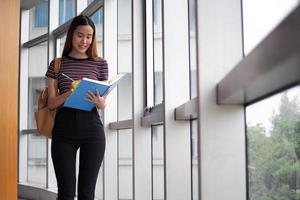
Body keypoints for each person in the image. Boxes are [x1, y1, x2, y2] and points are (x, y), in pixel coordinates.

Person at [45, 15, 108, 200]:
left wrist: (100, 103)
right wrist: (70, 92)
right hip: (64, 131)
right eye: (80, 35)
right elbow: (51, 103)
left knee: (87, 194)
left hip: (92, 130)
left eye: (89, 36)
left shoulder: (100, 64)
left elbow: (103, 102)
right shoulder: (57, 64)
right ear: (72, 34)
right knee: (66, 194)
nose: (85, 41)